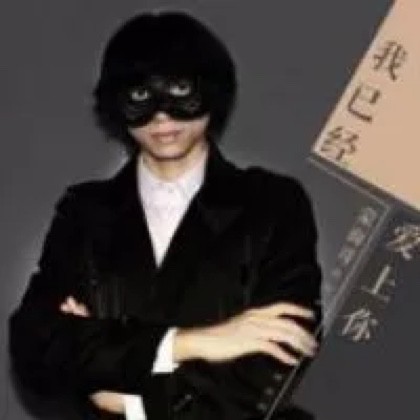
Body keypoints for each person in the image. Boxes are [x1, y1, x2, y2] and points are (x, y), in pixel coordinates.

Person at [8, 10, 323, 420]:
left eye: (180, 89)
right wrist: (189, 342)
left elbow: (280, 356)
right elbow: (38, 348)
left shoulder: (273, 203)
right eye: (140, 95)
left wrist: (133, 402)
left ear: (213, 90)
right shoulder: (85, 212)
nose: (161, 116)